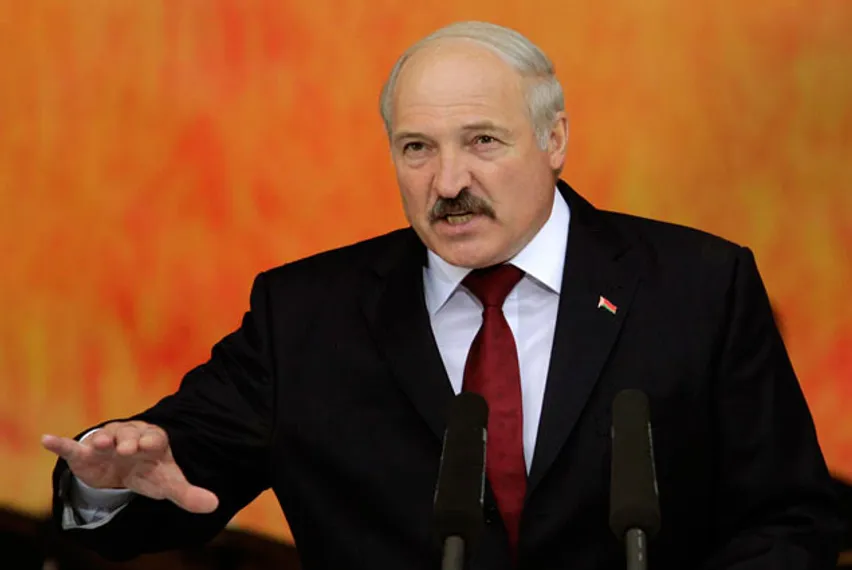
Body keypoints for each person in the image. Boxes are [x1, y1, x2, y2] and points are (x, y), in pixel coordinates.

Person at [42, 20, 843, 569]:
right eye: (417, 149)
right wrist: (104, 486)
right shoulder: (306, 316)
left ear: (555, 139)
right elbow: (173, 479)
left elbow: (789, 517)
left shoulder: (698, 286)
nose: (449, 181)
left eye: (482, 142)